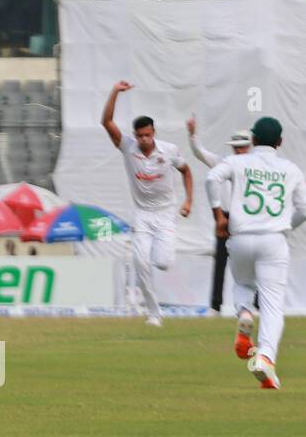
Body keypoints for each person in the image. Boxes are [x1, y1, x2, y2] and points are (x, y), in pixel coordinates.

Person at [206, 117, 306, 389]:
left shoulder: (239, 161)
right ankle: (265, 357)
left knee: (242, 283)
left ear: (252, 140)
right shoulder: (290, 168)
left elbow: (211, 177)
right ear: (280, 142)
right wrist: (286, 226)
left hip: (240, 238)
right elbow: (305, 207)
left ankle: (244, 315)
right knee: (273, 305)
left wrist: (218, 215)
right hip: (273, 240)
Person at [101, 81, 193, 326]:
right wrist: (115, 93)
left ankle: (159, 251)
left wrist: (188, 201)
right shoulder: (128, 148)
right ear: (135, 135)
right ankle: (154, 313)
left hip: (165, 213)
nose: (144, 139)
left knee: (163, 262)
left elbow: (186, 171)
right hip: (142, 214)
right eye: (140, 136)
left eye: (148, 135)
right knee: (140, 262)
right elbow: (107, 123)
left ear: (154, 133)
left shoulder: (169, 150)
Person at [188, 116, 252, 314]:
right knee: (221, 262)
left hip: (248, 218)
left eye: (242, 147)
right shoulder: (224, 162)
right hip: (224, 217)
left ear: (250, 147)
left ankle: (254, 305)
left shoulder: (255, 166)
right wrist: (192, 136)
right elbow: (201, 154)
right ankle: (215, 305)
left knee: (251, 261)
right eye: (236, 147)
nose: (239, 150)